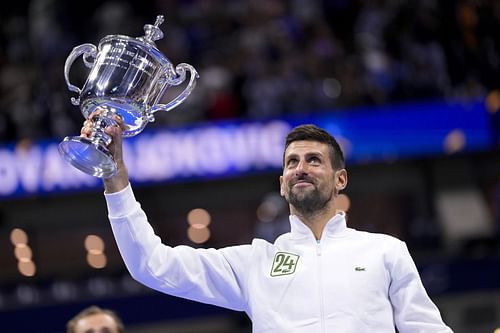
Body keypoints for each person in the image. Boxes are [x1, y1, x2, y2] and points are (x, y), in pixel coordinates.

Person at [82, 111, 453, 332]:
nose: (300, 168)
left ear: (340, 179)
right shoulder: (254, 263)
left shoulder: (385, 251)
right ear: (282, 183)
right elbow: (151, 264)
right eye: (291, 162)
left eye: (313, 160)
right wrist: (114, 176)